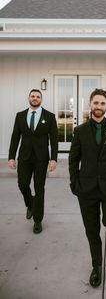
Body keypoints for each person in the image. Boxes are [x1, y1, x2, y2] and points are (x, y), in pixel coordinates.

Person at [69, 88, 106, 288]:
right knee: (91, 230)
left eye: (102, 103)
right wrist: (75, 183)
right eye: (96, 103)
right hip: (86, 189)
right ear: (90, 104)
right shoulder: (79, 131)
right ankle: (96, 265)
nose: (99, 107)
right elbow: (73, 159)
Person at [8, 89, 58, 234]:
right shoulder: (20, 116)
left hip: (41, 159)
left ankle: (37, 220)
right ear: (28, 98)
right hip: (24, 157)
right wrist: (11, 157)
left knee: (39, 188)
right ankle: (30, 204)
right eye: (33, 96)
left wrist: (54, 159)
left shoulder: (49, 116)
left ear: (41, 99)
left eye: (38, 96)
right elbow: (15, 137)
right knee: (22, 184)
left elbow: (54, 139)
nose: (35, 98)